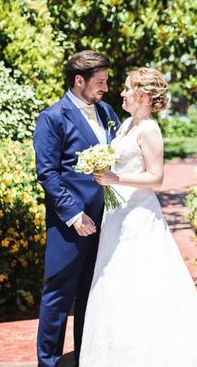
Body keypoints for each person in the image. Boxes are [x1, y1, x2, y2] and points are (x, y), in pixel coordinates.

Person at [80, 68, 197, 366]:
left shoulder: (149, 129)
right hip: (117, 216)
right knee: (114, 284)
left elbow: (156, 178)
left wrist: (115, 178)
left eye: (127, 88)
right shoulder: (124, 126)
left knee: (139, 284)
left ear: (143, 95)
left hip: (139, 218)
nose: (121, 93)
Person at [34, 51, 122, 367]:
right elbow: (47, 173)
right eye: (100, 82)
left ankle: (87, 357)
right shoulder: (52, 118)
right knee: (59, 293)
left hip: (106, 218)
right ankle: (49, 361)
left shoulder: (108, 111)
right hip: (70, 224)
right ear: (79, 80)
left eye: (107, 81)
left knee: (91, 291)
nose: (106, 88)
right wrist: (73, 214)